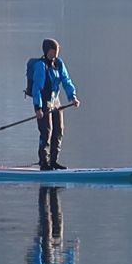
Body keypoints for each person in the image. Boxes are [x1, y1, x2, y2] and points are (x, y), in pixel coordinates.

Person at [31, 38, 80, 170]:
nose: (55, 54)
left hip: (56, 101)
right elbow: (37, 89)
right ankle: (44, 162)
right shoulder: (41, 66)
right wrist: (38, 108)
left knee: (59, 131)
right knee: (46, 132)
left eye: (57, 51)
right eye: (53, 51)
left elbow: (66, 80)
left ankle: (53, 161)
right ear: (47, 51)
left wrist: (73, 97)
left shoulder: (59, 64)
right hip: (44, 103)